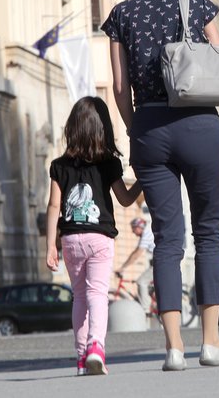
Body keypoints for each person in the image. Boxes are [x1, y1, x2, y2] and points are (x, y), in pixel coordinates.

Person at [101, 0, 219, 371]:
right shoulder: (194, 2)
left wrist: (135, 127)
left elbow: (120, 87)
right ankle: (212, 341)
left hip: (148, 128)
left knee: (166, 239)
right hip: (198, 123)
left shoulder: (121, 14)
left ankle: (174, 347)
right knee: (209, 232)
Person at [45, 96, 142, 376]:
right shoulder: (108, 163)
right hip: (100, 238)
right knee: (98, 293)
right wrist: (142, 183)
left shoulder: (59, 165)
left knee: (79, 296)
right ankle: (96, 348)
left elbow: (53, 206)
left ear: (72, 128)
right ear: (103, 129)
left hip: (71, 239)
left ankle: (80, 359)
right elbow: (124, 199)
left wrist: (50, 244)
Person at [115, 217, 155, 314]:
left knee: (141, 282)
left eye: (133, 228)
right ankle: (150, 301)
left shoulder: (146, 234)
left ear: (139, 227)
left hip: (159, 263)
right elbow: (135, 252)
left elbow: (136, 254)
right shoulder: (147, 233)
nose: (133, 232)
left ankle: (145, 310)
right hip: (157, 262)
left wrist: (122, 268)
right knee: (147, 284)